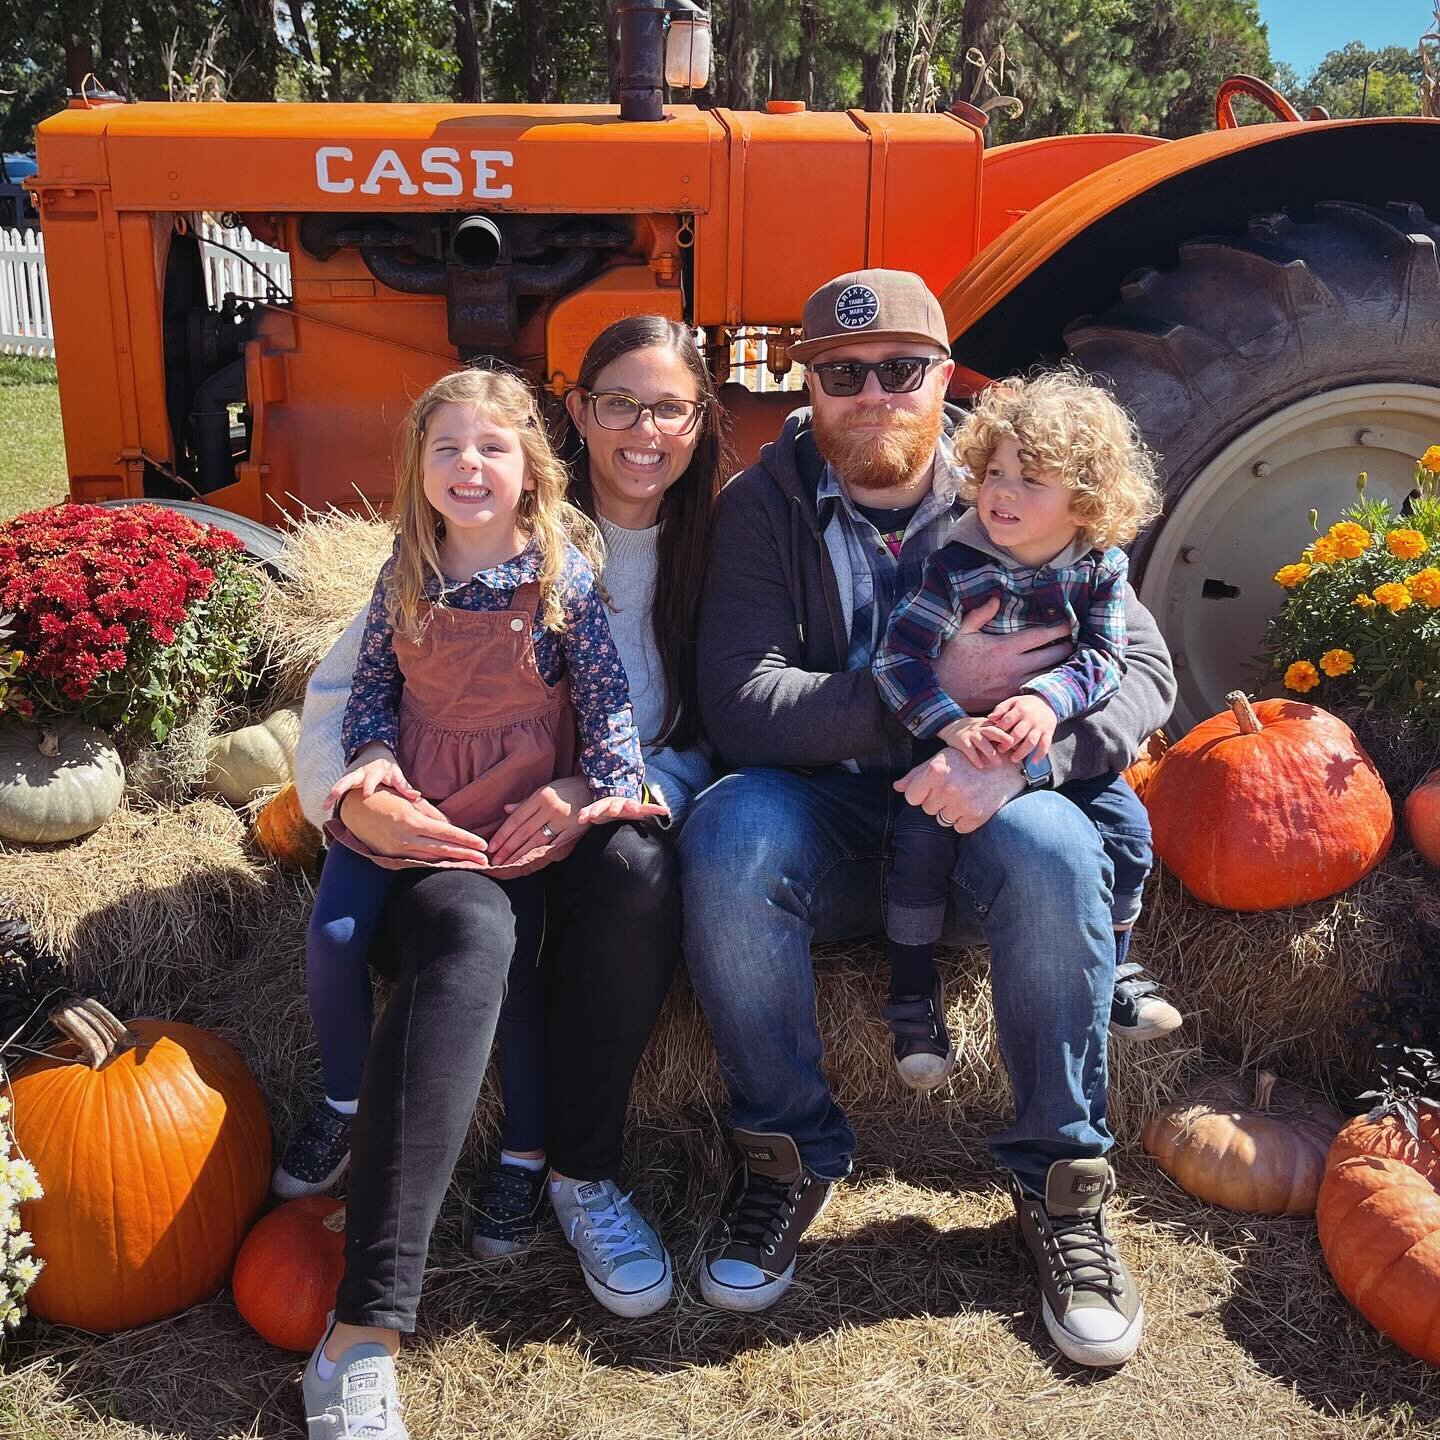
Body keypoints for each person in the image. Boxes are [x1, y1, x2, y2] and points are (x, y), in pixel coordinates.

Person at [679, 268, 1176, 1368]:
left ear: (943, 376)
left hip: (994, 818)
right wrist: (926, 691)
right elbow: (740, 700)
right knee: (726, 830)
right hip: (848, 822)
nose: (873, 396)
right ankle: (786, 1157)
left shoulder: (1020, 477)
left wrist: (1029, 762)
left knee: (1054, 847)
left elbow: (1143, 667)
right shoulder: (763, 506)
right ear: (805, 384)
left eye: (900, 370)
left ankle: (1063, 1187)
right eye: (842, 374)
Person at [293, 317, 720, 1438]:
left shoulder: (726, 545)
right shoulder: (447, 545)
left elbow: (709, 719)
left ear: (699, 421)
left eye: (665, 407)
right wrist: (356, 785)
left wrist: (596, 789)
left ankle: (581, 1174)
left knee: (637, 865)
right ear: (572, 417)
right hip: (460, 826)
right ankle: (365, 1330)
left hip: (598, 815)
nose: (641, 431)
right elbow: (354, 690)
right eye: (616, 403)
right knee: (474, 940)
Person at [276, 365, 663, 1259]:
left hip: (504, 808)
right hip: (408, 793)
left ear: (531, 468)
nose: (468, 465)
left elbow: (605, 698)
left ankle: (524, 1155)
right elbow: (371, 682)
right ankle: (344, 1103)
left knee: (513, 979)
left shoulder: (559, 577)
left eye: (492, 447)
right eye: (445, 447)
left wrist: (610, 783)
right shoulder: (404, 570)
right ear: (417, 465)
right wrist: (369, 757)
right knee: (333, 935)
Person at [871, 369, 1180, 1090]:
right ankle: (911, 995)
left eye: (1031, 480)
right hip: (958, 739)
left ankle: (1114, 967)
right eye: (996, 472)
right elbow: (899, 660)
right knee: (918, 846)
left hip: (1049, 744)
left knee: (1131, 836)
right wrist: (949, 727)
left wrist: (1045, 700)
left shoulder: (1100, 569)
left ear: (1085, 502)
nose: (1002, 493)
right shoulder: (955, 565)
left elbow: (1110, 657)